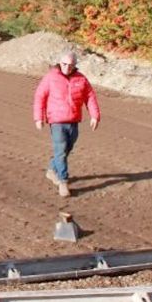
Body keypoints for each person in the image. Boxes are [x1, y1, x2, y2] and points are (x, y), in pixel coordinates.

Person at [33, 50, 101, 197]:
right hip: (56, 120)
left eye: (70, 65)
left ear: (75, 65)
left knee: (66, 149)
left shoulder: (81, 79)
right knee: (61, 150)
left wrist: (95, 116)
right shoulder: (50, 77)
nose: (67, 67)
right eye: (64, 64)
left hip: (73, 120)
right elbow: (40, 97)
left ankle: (52, 170)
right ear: (60, 62)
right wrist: (38, 118)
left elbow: (90, 97)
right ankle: (63, 181)